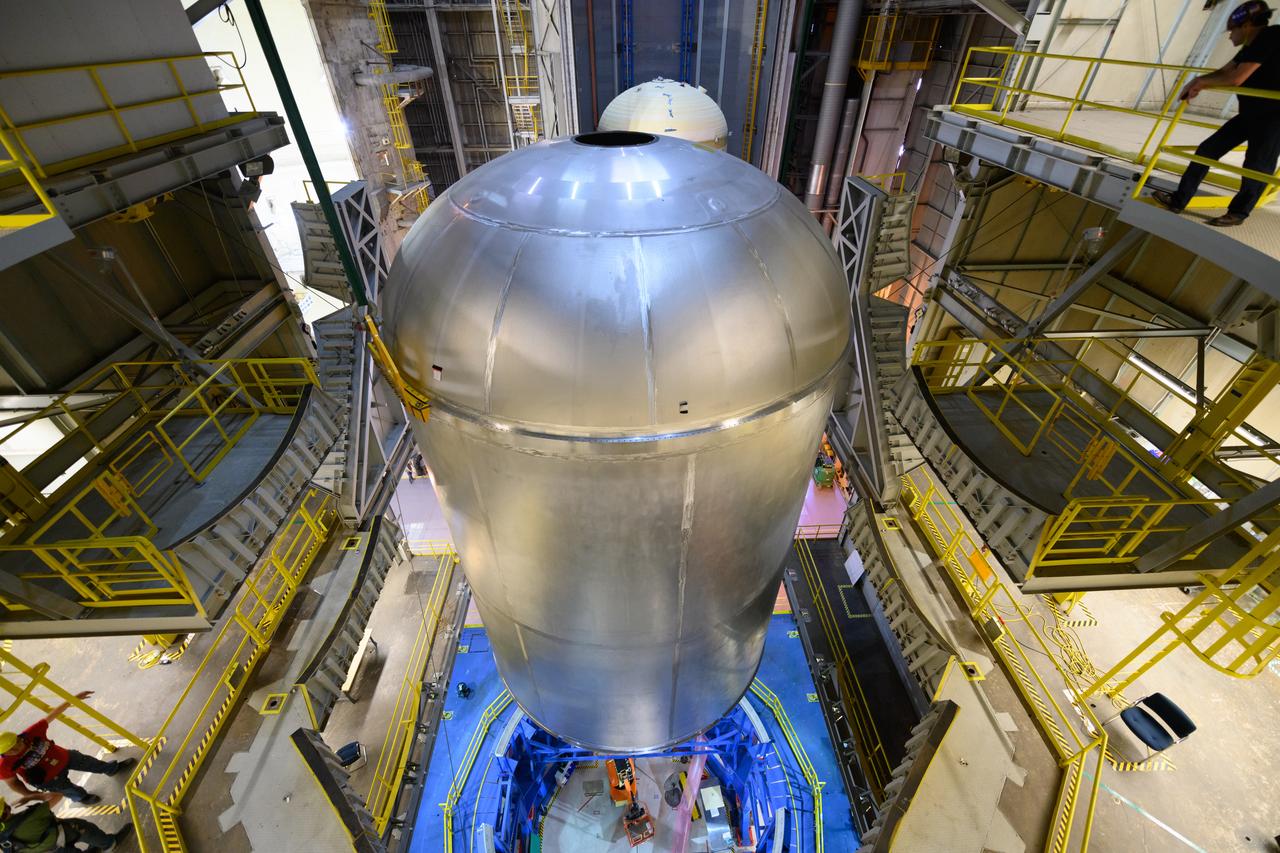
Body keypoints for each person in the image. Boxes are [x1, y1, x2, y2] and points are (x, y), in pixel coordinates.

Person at [1151, 1, 1280, 226]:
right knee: (1206, 150)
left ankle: (1239, 213)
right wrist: (1199, 82)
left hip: (1273, 116)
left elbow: (1236, 78)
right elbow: (1226, 70)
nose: (1229, 36)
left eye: (1232, 30)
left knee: (1257, 165)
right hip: (1252, 112)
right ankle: (1178, 200)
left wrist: (1202, 82)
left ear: (1247, 25)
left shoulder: (1269, 37)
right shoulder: (1252, 44)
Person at [0, 692, 136, 807]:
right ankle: (82, 797)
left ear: (18, 738)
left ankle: (112, 769)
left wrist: (73, 699)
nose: (17, 748)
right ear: (4, 753)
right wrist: (31, 795)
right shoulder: (4, 766)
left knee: (90, 762)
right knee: (68, 789)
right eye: (11, 750)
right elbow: (13, 783)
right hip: (50, 780)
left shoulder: (31, 733)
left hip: (65, 757)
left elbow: (52, 715)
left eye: (17, 743)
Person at [0, 798, 131, 852]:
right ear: (5, 811)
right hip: (62, 834)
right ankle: (110, 843)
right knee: (85, 828)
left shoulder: (2, 839)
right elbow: (55, 796)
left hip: (47, 850)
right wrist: (32, 796)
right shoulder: (28, 818)